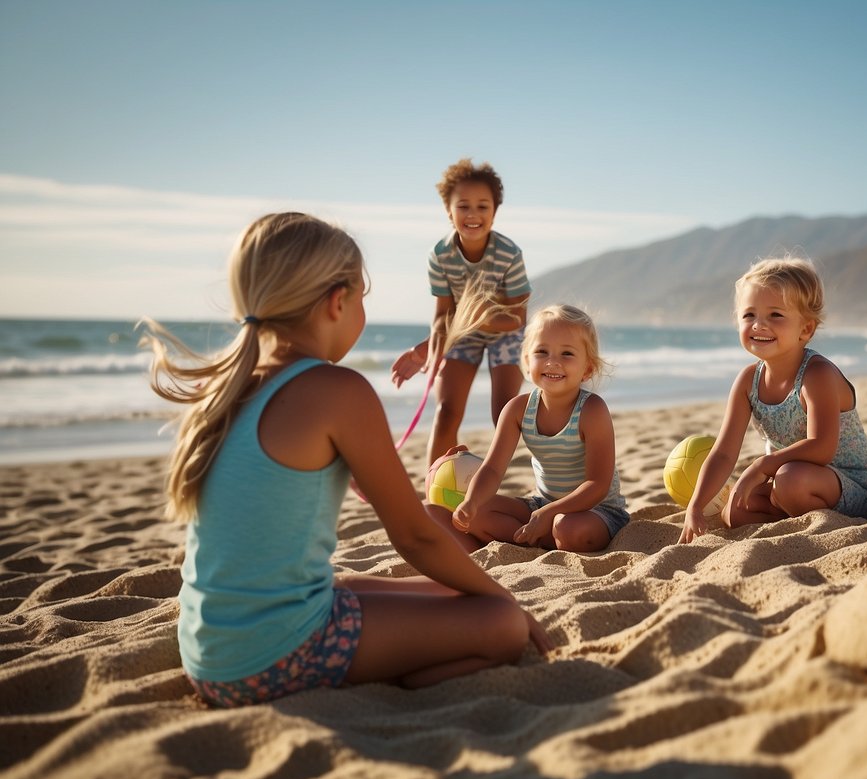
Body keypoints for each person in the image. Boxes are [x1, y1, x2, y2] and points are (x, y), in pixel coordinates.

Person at [140, 212, 550, 708]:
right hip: (274, 658)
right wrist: (507, 600)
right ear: (338, 302)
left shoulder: (229, 387)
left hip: (209, 654)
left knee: (412, 589)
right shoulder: (338, 391)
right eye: (362, 298)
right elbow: (417, 536)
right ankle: (404, 677)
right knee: (501, 624)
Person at [679, 257, 867, 543]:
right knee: (734, 512)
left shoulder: (817, 374)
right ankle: (794, 514)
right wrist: (696, 505)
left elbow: (822, 448)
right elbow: (724, 452)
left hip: (851, 486)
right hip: (792, 479)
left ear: (806, 330)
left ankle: (810, 517)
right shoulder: (747, 382)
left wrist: (763, 466)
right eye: (749, 315)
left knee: (789, 480)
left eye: (775, 315)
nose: (759, 325)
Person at [439, 305, 630, 553]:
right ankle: (539, 538)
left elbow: (597, 485)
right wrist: (471, 501)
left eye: (567, 354)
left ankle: (544, 538)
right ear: (527, 362)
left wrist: (550, 513)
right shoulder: (518, 409)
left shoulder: (592, 411)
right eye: (542, 351)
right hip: (542, 504)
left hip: (596, 511)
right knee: (477, 514)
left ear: (588, 368)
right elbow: (492, 469)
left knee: (567, 528)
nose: (552, 362)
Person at [391, 159, 531, 464]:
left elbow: (517, 318)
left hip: (504, 331)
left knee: (504, 414)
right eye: (463, 206)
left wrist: (483, 318)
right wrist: (428, 350)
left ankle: (489, 486)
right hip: (462, 332)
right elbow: (443, 315)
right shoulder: (440, 255)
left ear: (495, 211)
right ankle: (435, 493)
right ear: (448, 210)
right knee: (446, 413)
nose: (473, 215)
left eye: (483, 206)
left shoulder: (509, 253)